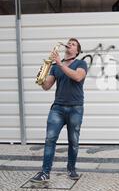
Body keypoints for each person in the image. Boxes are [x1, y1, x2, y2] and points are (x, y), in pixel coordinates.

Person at [30, 38, 88, 183]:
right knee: (50, 139)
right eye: (69, 42)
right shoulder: (56, 66)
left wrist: (60, 64)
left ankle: (71, 169)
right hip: (58, 108)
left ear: (77, 51)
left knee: (73, 141)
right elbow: (47, 86)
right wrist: (42, 77)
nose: (70, 44)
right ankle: (45, 172)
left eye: (73, 44)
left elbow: (77, 77)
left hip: (76, 107)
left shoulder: (81, 63)